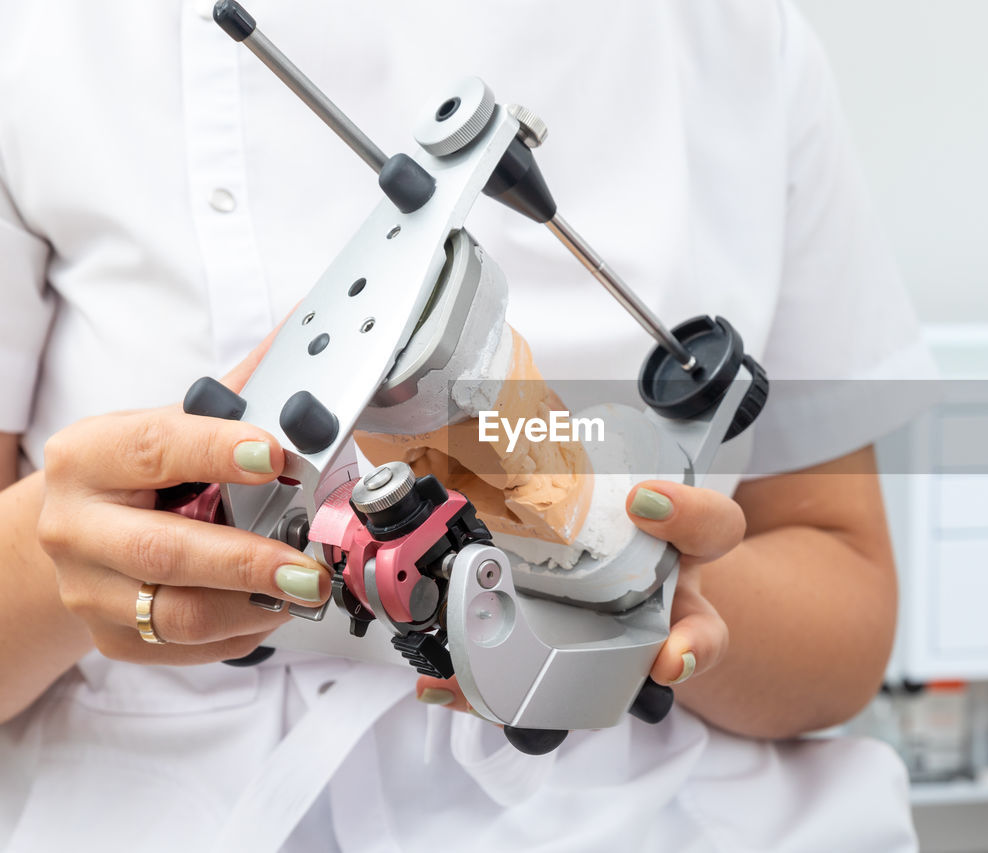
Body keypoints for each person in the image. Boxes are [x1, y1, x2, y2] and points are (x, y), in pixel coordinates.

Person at [0, 1, 934, 850]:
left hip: (655, 816)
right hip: (163, 805)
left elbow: (843, 614)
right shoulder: (47, 39)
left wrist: (615, 584)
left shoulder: (736, 37)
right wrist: (72, 552)